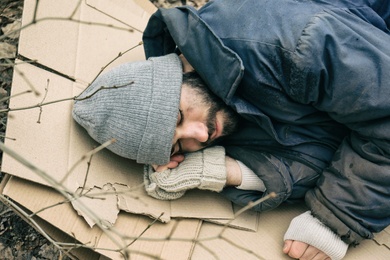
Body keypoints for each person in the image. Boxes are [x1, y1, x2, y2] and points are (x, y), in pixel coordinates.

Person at [73, 0, 390, 259]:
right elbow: (322, 148)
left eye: (178, 117)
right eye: (178, 147)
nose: (198, 135)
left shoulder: (293, 45)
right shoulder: (216, 101)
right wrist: (223, 171)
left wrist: (334, 220)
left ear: (178, 71)